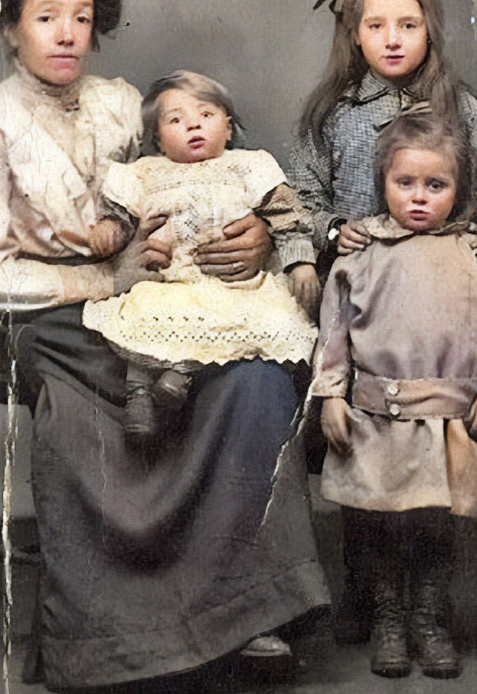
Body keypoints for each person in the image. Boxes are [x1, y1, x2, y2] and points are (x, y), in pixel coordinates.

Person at [0, 0, 329, 692]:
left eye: (81, 18)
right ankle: (111, 640)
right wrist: (107, 278)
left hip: (163, 298)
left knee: (253, 369)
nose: (67, 34)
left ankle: (246, 612)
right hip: (41, 316)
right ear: (11, 31)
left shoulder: (119, 102)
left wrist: (257, 236)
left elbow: (191, 181)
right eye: (45, 19)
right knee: (84, 400)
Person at [290, 0, 477, 642]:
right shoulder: (334, 114)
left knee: (434, 468)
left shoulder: (462, 110)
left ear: (430, 29)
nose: (392, 39)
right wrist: (330, 234)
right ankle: (369, 596)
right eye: (376, 25)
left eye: (408, 25)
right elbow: (300, 199)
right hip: (362, 312)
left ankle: (428, 602)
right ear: (353, 31)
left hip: (442, 315)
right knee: (364, 452)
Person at [311, 114, 477, 677]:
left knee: (434, 523)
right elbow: (334, 333)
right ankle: (389, 617)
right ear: (384, 184)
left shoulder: (475, 255)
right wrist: (331, 396)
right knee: (378, 522)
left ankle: (430, 616)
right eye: (406, 184)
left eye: (436, 186)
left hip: (449, 417)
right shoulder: (361, 255)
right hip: (376, 415)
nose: (420, 199)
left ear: (458, 190)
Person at [83, 70, 319, 436]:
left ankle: (180, 376)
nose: (193, 125)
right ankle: (139, 397)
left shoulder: (248, 165)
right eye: (176, 119)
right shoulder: (146, 173)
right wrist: (108, 233)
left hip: (231, 286)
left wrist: (301, 262)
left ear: (228, 125)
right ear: (158, 139)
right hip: (167, 282)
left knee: (242, 320)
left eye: (206, 115)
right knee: (141, 315)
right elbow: (121, 217)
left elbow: (286, 214)